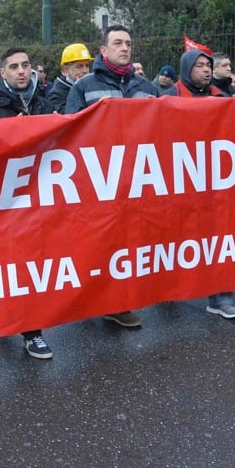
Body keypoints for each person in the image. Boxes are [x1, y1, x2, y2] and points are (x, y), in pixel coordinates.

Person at [65, 25, 158, 329]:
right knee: (99, 242)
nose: (125, 48)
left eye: (129, 43)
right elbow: (71, 135)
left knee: (129, 242)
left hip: (137, 180)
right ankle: (93, 297)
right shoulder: (84, 87)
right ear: (103, 50)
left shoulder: (148, 88)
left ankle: (117, 302)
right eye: (117, 43)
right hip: (99, 181)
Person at [0, 48, 56, 358]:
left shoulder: (46, 106)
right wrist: (8, 137)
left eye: (25, 66)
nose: (21, 71)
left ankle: (31, 330)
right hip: (4, 206)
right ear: (3, 73)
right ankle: (17, 322)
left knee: (32, 266)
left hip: (41, 202)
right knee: (10, 267)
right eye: (14, 67)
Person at [167, 48, 235, 319]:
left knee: (217, 238)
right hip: (178, 181)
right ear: (187, 68)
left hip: (213, 182)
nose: (206, 70)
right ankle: (166, 287)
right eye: (199, 65)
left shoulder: (222, 98)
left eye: (208, 65)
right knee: (175, 237)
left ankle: (220, 298)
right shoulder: (170, 96)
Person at [47, 43, 94, 114]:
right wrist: (78, 90)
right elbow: (69, 117)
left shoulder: (92, 86)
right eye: (79, 66)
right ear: (65, 70)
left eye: (87, 66)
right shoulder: (56, 94)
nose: (85, 71)